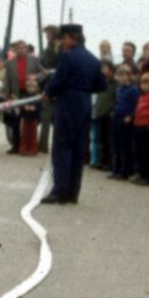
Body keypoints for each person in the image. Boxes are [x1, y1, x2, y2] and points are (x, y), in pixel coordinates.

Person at [41, 24, 107, 204]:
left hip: (68, 103)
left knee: (62, 147)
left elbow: (58, 80)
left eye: (64, 38)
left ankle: (59, 192)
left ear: (72, 38)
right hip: (85, 104)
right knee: (78, 149)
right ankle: (72, 193)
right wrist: (84, 88)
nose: (62, 42)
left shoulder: (68, 56)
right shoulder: (93, 59)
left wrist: (48, 92)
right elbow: (101, 85)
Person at [8, 40, 40, 153]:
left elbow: (44, 73)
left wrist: (35, 78)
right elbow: (7, 80)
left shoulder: (34, 60)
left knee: (30, 121)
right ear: (15, 50)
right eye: (18, 48)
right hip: (16, 94)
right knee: (15, 120)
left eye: (23, 48)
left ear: (26, 49)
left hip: (30, 92)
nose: (21, 50)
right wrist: (7, 95)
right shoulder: (10, 63)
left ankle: (31, 146)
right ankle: (16, 146)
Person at [109, 65, 139, 180]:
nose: (121, 78)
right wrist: (113, 111)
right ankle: (115, 170)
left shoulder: (133, 90)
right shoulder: (118, 89)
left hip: (126, 119)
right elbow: (116, 102)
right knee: (116, 145)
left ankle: (124, 171)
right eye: (119, 75)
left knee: (125, 146)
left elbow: (136, 105)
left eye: (124, 75)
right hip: (116, 117)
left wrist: (131, 116)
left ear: (129, 76)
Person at [38, 25, 62, 154]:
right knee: (46, 118)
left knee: (57, 119)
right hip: (47, 83)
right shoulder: (48, 47)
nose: (46, 36)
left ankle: (56, 146)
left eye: (48, 33)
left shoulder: (60, 47)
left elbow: (53, 63)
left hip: (57, 85)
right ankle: (43, 145)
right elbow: (43, 62)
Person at [90, 60, 116, 170]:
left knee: (108, 140)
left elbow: (115, 99)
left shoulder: (114, 84)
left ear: (110, 70)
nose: (102, 70)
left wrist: (112, 110)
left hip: (109, 115)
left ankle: (108, 163)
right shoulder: (100, 82)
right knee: (100, 139)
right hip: (100, 113)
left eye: (104, 68)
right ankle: (101, 161)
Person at [18, 75, 42, 156]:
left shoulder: (37, 97)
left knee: (33, 134)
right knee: (25, 133)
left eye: (33, 87)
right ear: (27, 87)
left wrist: (34, 108)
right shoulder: (24, 96)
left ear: (35, 88)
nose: (31, 89)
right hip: (26, 117)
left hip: (33, 118)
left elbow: (39, 107)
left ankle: (33, 149)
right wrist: (24, 107)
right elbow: (21, 105)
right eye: (29, 87)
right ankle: (23, 149)